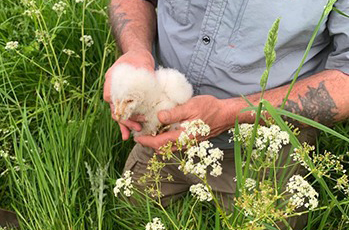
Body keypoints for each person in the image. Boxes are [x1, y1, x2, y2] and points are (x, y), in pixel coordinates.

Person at [104, 0, 349, 229]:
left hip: (263, 149)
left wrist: (231, 113)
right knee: (127, 210)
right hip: (159, 132)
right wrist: (134, 53)